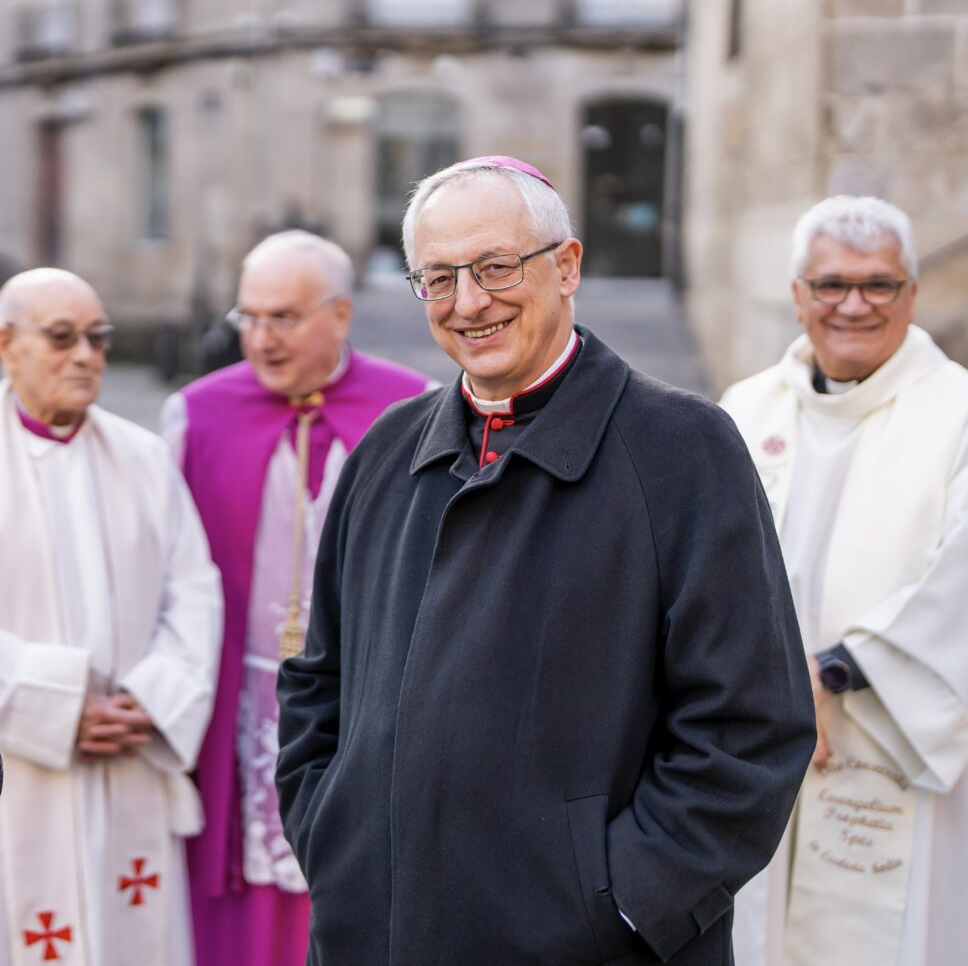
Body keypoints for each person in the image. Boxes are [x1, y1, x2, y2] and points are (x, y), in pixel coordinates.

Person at [276, 156, 816, 965]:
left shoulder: (684, 449)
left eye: (495, 267)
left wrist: (620, 906)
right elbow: (319, 683)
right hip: (375, 933)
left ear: (566, 267)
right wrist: (335, 838)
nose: (469, 303)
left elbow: (749, 728)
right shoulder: (387, 449)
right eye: (439, 277)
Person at [162, 231, 431, 966]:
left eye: (283, 317)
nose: (260, 338)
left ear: (340, 316)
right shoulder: (195, 415)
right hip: (232, 701)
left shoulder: (415, 409)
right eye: (247, 317)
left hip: (360, 700)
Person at [721, 196, 968, 966]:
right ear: (797, 296)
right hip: (755, 738)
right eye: (830, 285)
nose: (852, 305)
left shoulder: (958, 411)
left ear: (911, 295)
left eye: (878, 285)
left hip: (895, 737)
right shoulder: (743, 409)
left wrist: (832, 673)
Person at [0, 268, 222, 966]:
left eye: (98, 338)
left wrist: (151, 699)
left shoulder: (145, 458)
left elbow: (195, 591)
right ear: (7, 344)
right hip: (19, 770)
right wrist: (54, 703)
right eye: (61, 338)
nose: (87, 356)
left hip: (129, 756)